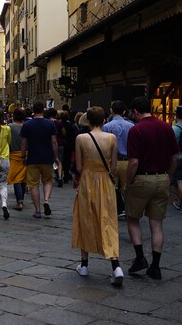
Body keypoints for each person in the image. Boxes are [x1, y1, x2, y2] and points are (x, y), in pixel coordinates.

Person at [124, 96, 179, 280]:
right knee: (157, 225)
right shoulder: (166, 127)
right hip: (162, 177)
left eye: (132, 113)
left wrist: (128, 181)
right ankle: (155, 266)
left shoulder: (136, 130)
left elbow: (134, 162)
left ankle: (140, 258)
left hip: (142, 177)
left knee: (132, 218)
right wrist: (169, 175)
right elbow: (175, 157)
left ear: (136, 112)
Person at [72, 106, 123, 286]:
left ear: (88, 121)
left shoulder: (81, 138)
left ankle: (84, 265)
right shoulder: (111, 138)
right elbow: (114, 166)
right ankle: (115, 265)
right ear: (104, 120)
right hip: (106, 183)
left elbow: (78, 167)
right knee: (108, 220)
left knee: (85, 219)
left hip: (87, 181)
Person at [20, 101, 60, 219]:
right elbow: (54, 142)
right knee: (47, 181)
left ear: (33, 110)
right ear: (43, 110)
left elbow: (23, 142)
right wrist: (56, 156)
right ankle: (46, 200)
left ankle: (37, 210)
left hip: (32, 158)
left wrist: (23, 156)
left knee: (33, 184)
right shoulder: (50, 124)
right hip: (47, 157)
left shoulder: (27, 124)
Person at [102, 100, 134, 220]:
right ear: (124, 111)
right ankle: (127, 208)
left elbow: (105, 146)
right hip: (127, 161)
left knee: (112, 187)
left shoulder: (106, 126)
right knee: (126, 188)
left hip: (112, 161)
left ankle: (115, 209)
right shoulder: (131, 126)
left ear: (111, 110)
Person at [7, 108, 27, 210]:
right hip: (26, 154)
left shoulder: (9, 127)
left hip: (14, 155)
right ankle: (21, 199)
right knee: (23, 179)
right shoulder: (26, 126)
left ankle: (19, 202)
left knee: (16, 179)